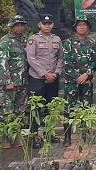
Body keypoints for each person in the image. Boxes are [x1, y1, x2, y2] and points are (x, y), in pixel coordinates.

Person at [26, 14, 63, 148]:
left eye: (49, 23)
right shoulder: (33, 39)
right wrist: (45, 74)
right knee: (35, 108)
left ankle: (49, 134)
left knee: (51, 107)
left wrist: (56, 73)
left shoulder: (57, 39)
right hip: (37, 79)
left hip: (53, 78)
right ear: (39, 24)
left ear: (52, 25)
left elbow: (60, 58)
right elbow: (31, 59)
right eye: (44, 23)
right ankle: (34, 137)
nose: (47, 26)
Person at [62, 15, 96, 147]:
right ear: (75, 27)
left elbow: (95, 62)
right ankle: (67, 137)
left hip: (87, 82)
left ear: (87, 28)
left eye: (84, 24)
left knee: (86, 108)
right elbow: (66, 61)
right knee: (68, 108)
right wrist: (78, 76)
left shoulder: (92, 43)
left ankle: (85, 135)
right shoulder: (68, 43)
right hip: (71, 82)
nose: (82, 27)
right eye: (79, 24)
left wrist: (87, 74)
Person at [0, 15, 28, 149]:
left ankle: (15, 136)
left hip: (23, 82)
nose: (19, 27)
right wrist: (7, 81)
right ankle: (5, 138)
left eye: (21, 25)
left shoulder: (26, 41)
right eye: (17, 25)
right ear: (11, 26)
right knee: (6, 111)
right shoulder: (5, 41)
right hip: (10, 83)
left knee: (19, 110)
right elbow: (3, 62)